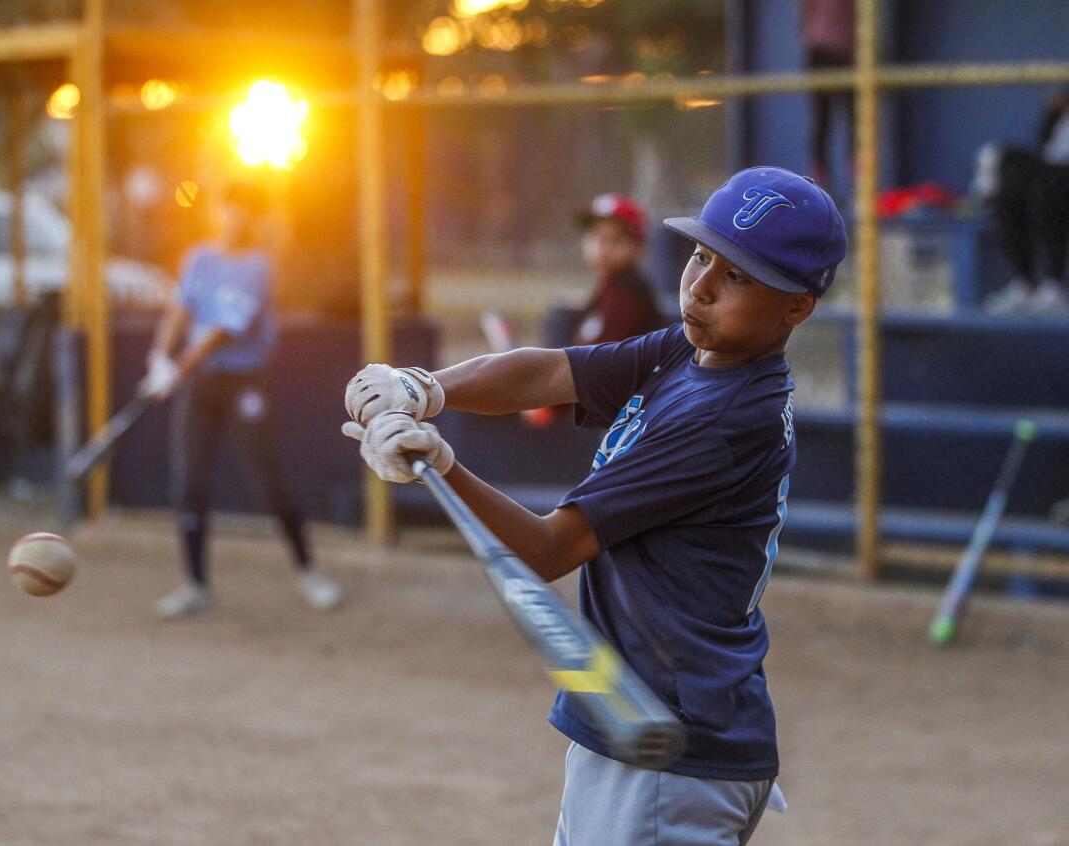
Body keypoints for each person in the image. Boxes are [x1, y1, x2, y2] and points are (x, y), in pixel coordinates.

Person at [343, 166, 845, 845]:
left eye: (737, 278)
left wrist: (440, 463)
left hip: (669, 750)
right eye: (701, 257)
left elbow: (549, 550)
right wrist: (423, 388)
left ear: (797, 305)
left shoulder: (724, 419)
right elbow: (551, 371)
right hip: (641, 725)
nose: (698, 286)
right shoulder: (690, 354)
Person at [145, 182, 341, 620]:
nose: (234, 218)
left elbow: (220, 331)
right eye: (228, 209)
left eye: (244, 212)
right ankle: (196, 584)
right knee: (188, 483)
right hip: (201, 385)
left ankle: (308, 572)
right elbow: (180, 311)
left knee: (269, 481)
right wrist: (159, 357)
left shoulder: (257, 267)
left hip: (243, 382)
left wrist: (179, 368)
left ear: (255, 219)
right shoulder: (199, 258)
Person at [977, 88, 1069, 314]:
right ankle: (1024, 285)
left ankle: (1052, 289)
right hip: (1051, 176)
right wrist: (1054, 111)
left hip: (1060, 182)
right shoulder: (1059, 115)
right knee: (1005, 192)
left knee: (1048, 187)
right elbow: (1045, 150)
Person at [571, 193, 664, 345]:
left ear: (638, 246)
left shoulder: (629, 295)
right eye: (595, 236)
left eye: (614, 239)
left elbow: (603, 360)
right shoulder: (608, 284)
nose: (601, 247)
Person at [800, 0, 855, 192]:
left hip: (847, 51)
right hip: (824, 50)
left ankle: (860, 187)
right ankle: (818, 187)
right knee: (823, 120)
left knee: (856, 121)